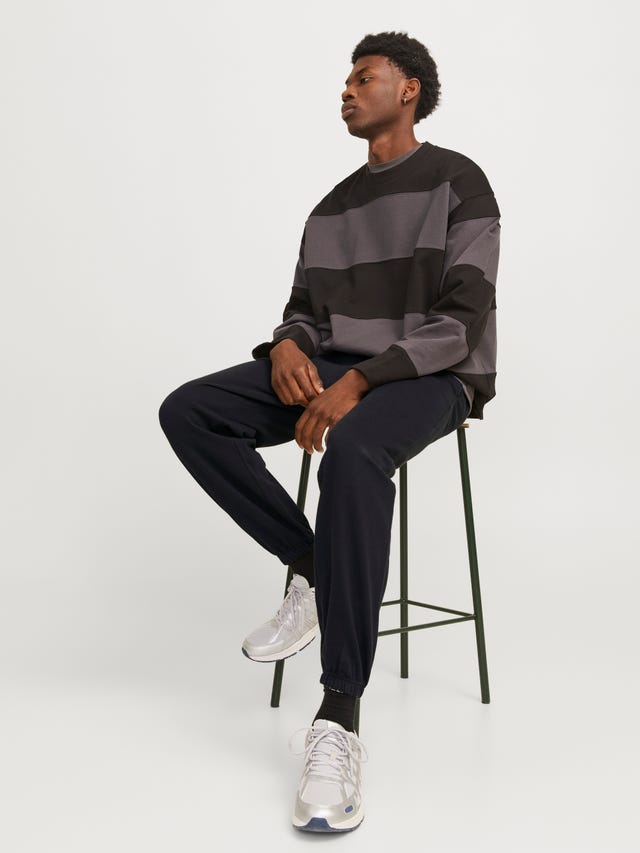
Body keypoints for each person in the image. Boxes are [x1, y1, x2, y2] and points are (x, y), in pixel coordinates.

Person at [158, 29, 501, 833]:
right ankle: (312, 565)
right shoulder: (331, 207)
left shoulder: (459, 182)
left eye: (364, 77)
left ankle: (338, 716)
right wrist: (285, 346)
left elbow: (463, 318)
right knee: (190, 411)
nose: (346, 90)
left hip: (433, 376)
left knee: (353, 447)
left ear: (408, 89)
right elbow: (304, 312)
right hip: (339, 367)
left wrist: (361, 380)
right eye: (345, 80)